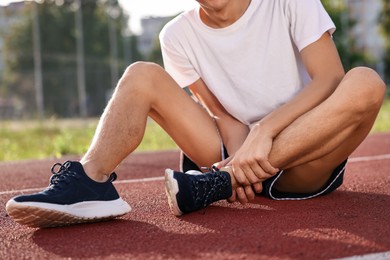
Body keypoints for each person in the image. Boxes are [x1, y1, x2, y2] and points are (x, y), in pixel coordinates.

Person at [6, 0, 386, 227]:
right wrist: (240, 158)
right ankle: (90, 182)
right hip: (229, 152)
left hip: (307, 154)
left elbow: (330, 79)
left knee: (366, 82)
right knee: (141, 75)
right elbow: (220, 112)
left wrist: (265, 132)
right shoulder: (175, 35)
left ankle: (218, 184)